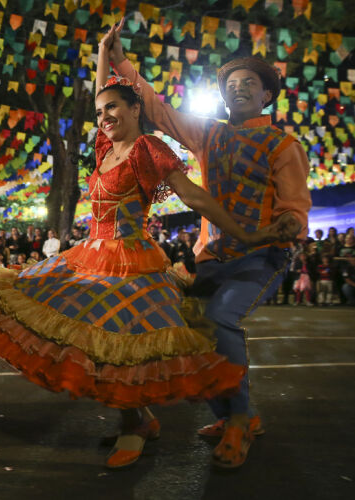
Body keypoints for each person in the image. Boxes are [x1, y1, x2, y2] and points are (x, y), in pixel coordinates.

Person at [0, 27, 284, 472]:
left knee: (118, 346)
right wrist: (101, 54)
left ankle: (139, 426)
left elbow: (196, 198)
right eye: (101, 110)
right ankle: (139, 421)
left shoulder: (148, 148)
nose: (105, 115)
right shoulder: (103, 147)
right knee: (94, 345)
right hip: (89, 256)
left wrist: (246, 235)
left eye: (115, 107)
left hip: (131, 261)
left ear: (135, 110)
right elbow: (100, 93)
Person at [105, 17, 310, 467]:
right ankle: (236, 414)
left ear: (266, 95)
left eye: (249, 83)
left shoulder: (283, 145)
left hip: (260, 255)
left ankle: (238, 424)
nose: (238, 88)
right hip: (211, 257)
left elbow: (295, 208)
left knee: (219, 317)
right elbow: (157, 111)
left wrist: (290, 225)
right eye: (232, 83)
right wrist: (119, 61)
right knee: (192, 335)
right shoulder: (208, 133)